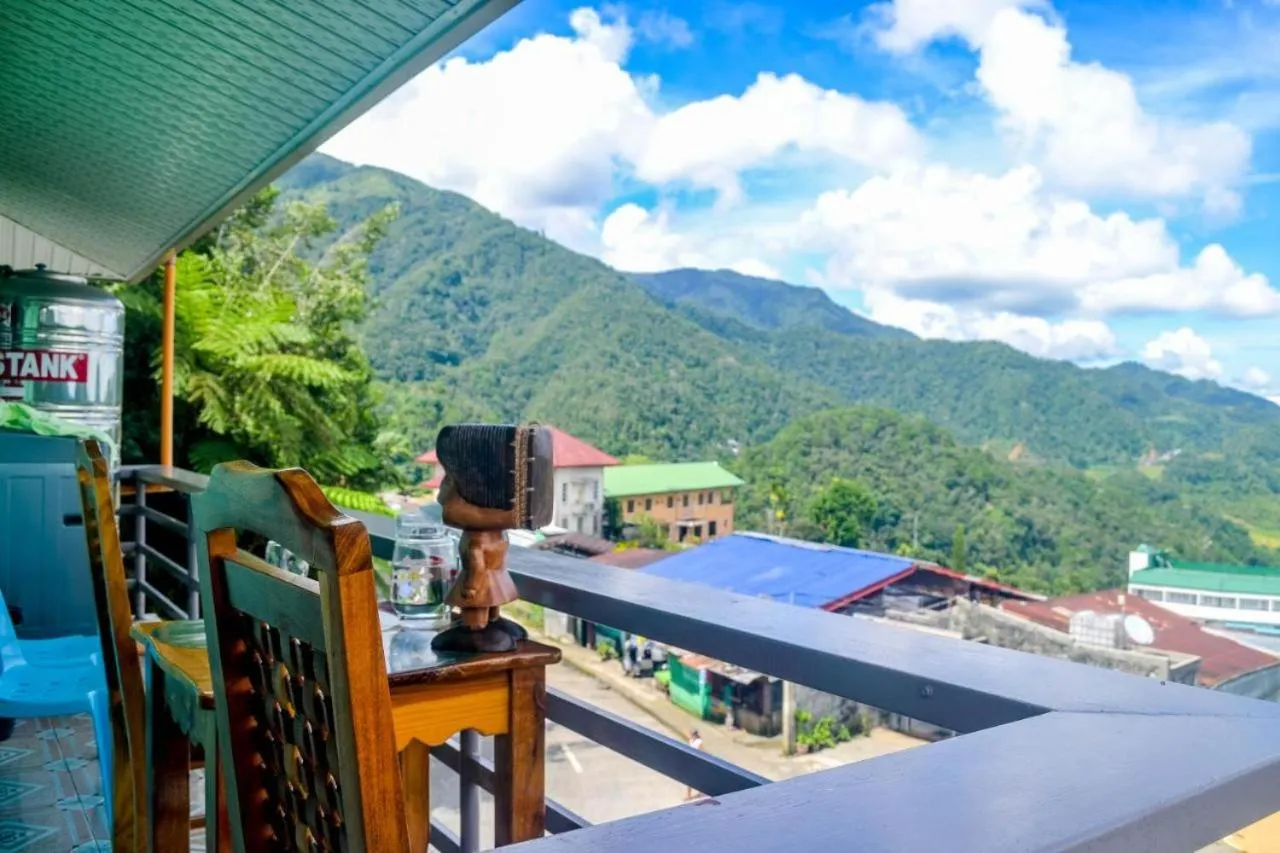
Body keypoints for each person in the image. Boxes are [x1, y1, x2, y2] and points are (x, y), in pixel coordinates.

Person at [685, 729, 703, 800]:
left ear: (695, 735)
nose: (690, 735)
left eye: (691, 734)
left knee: (690, 778)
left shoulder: (699, 742)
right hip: (691, 761)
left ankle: (688, 796)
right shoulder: (691, 740)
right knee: (692, 778)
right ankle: (699, 792)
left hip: (696, 762)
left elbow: (702, 752)